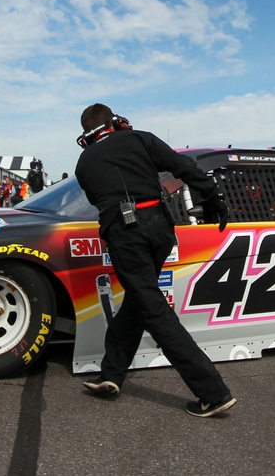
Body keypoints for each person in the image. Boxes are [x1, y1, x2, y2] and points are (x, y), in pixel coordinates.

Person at [74, 103, 235, 418]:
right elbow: (183, 165)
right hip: (161, 228)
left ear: (87, 136)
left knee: (151, 307)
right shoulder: (140, 138)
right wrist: (211, 196)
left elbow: (97, 199)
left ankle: (212, 393)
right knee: (139, 298)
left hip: (125, 233)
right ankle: (112, 374)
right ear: (115, 123)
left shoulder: (84, 163)